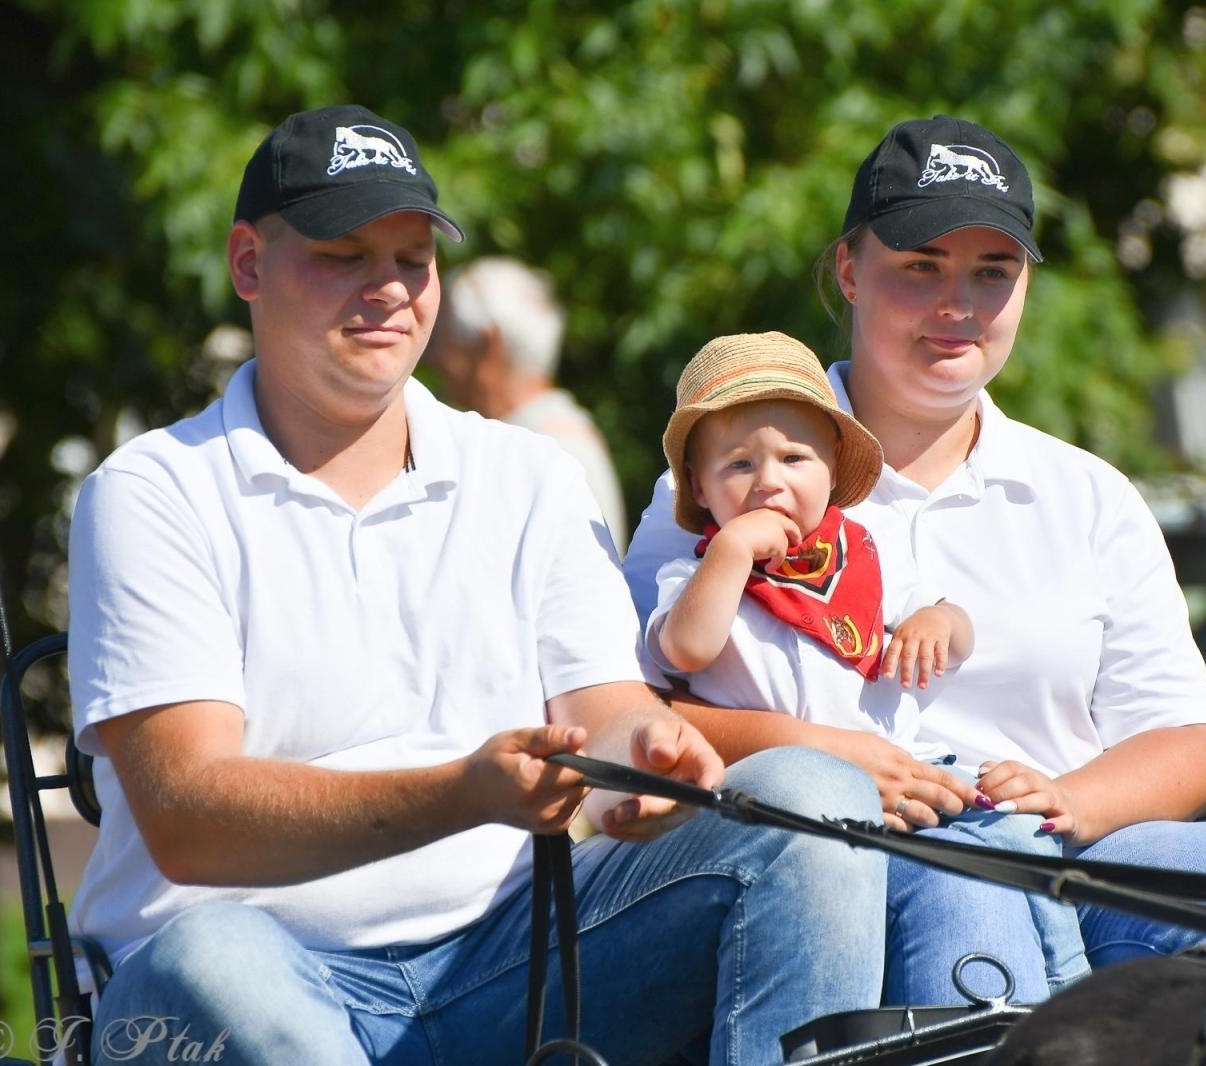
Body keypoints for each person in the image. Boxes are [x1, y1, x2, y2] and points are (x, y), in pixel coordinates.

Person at [66, 104, 886, 1066]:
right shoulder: (150, 491)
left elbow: (606, 710)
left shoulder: (525, 472)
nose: (389, 288)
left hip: (512, 969)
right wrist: (464, 793)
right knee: (212, 958)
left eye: (412, 259)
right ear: (249, 263)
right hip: (244, 973)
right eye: (343, 254)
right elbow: (189, 820)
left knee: (813, 799)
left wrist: (650, 757)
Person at [623, 115, 1206, 1001]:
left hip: (1071, 850)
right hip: (848, 857)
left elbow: (1183, 739)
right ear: (848, 271)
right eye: (922, 267)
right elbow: (638, 709)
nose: (960, 305)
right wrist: (819, 755)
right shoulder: (733, 472)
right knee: (969, 906)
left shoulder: (1087, 495)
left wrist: (1070, 803)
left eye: (994, 273)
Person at [645, 330, 1088, 1002]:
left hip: (906, 773)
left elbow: (950, 620)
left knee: (1017, 830)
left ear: (831, 472)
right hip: (783, 804)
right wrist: (731, 554)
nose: (769, 481)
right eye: (737, 465)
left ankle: (1066, 985)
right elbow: (686, 650)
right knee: (956, 868)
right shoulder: (694, 577)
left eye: (794, 458)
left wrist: (938, 625)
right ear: (700, 491)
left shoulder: (864, 557)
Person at [429, 257, 628, 554]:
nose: (434, 358)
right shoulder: (553, 436)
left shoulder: (547, 451)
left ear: (489, 345)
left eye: (442, 340)